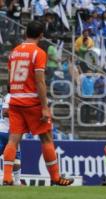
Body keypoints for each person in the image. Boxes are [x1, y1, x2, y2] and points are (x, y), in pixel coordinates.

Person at [2, 21, 74, 186]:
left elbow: (10, 78)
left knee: (13, 139)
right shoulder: (38, 52)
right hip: (32, 101)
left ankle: (7, 178)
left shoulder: (14, 52)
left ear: (25, 33)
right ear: (41, 35)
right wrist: (44, 107)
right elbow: (40, 82)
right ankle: (55, 177)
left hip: (15, 100)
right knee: (46, 138)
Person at [0, 87, 22, 185]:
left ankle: (17, 182)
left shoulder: (15, 97)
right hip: (4, 131)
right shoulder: (10, 97)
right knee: (15, 157)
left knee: (16, 158)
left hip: (13, 132)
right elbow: (5, 112)